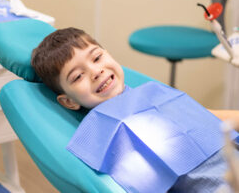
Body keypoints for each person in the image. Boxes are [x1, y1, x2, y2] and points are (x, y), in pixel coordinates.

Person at [31, 27, 239, 192]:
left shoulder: (152, 92)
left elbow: (202, 117)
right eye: (77, 76)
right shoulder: (99, 132)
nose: (96, 71)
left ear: (109, 55)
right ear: (68, 102)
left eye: (97, 58)